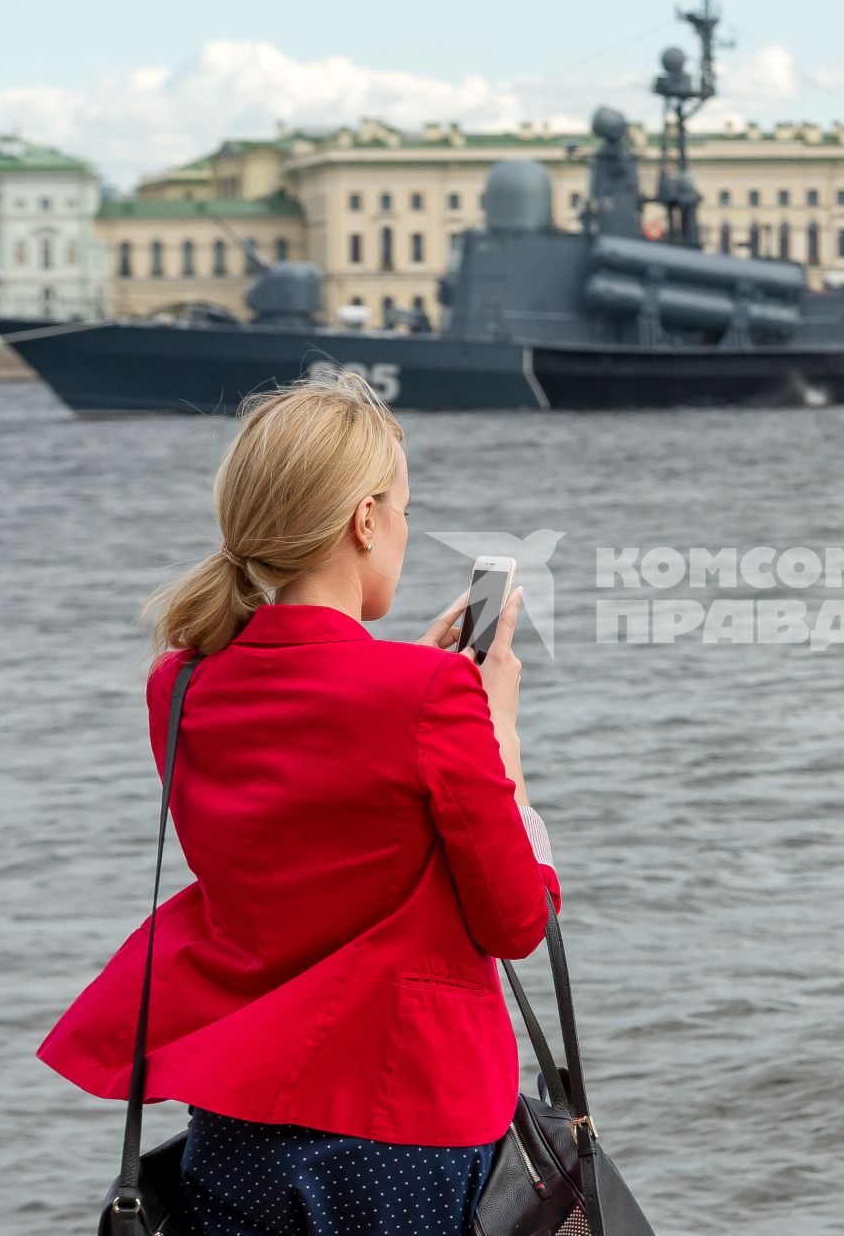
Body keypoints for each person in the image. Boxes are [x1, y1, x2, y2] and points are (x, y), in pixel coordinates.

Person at [38, 366, 559, 1236]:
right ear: (364, 520)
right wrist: (497, 747)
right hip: (404, 1118)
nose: (402, 529)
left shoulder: (179, 683)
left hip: (236, 1112)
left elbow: (307, 806)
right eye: (403, 509)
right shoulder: (432, 696)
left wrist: (416, 683)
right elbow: (515, 921)